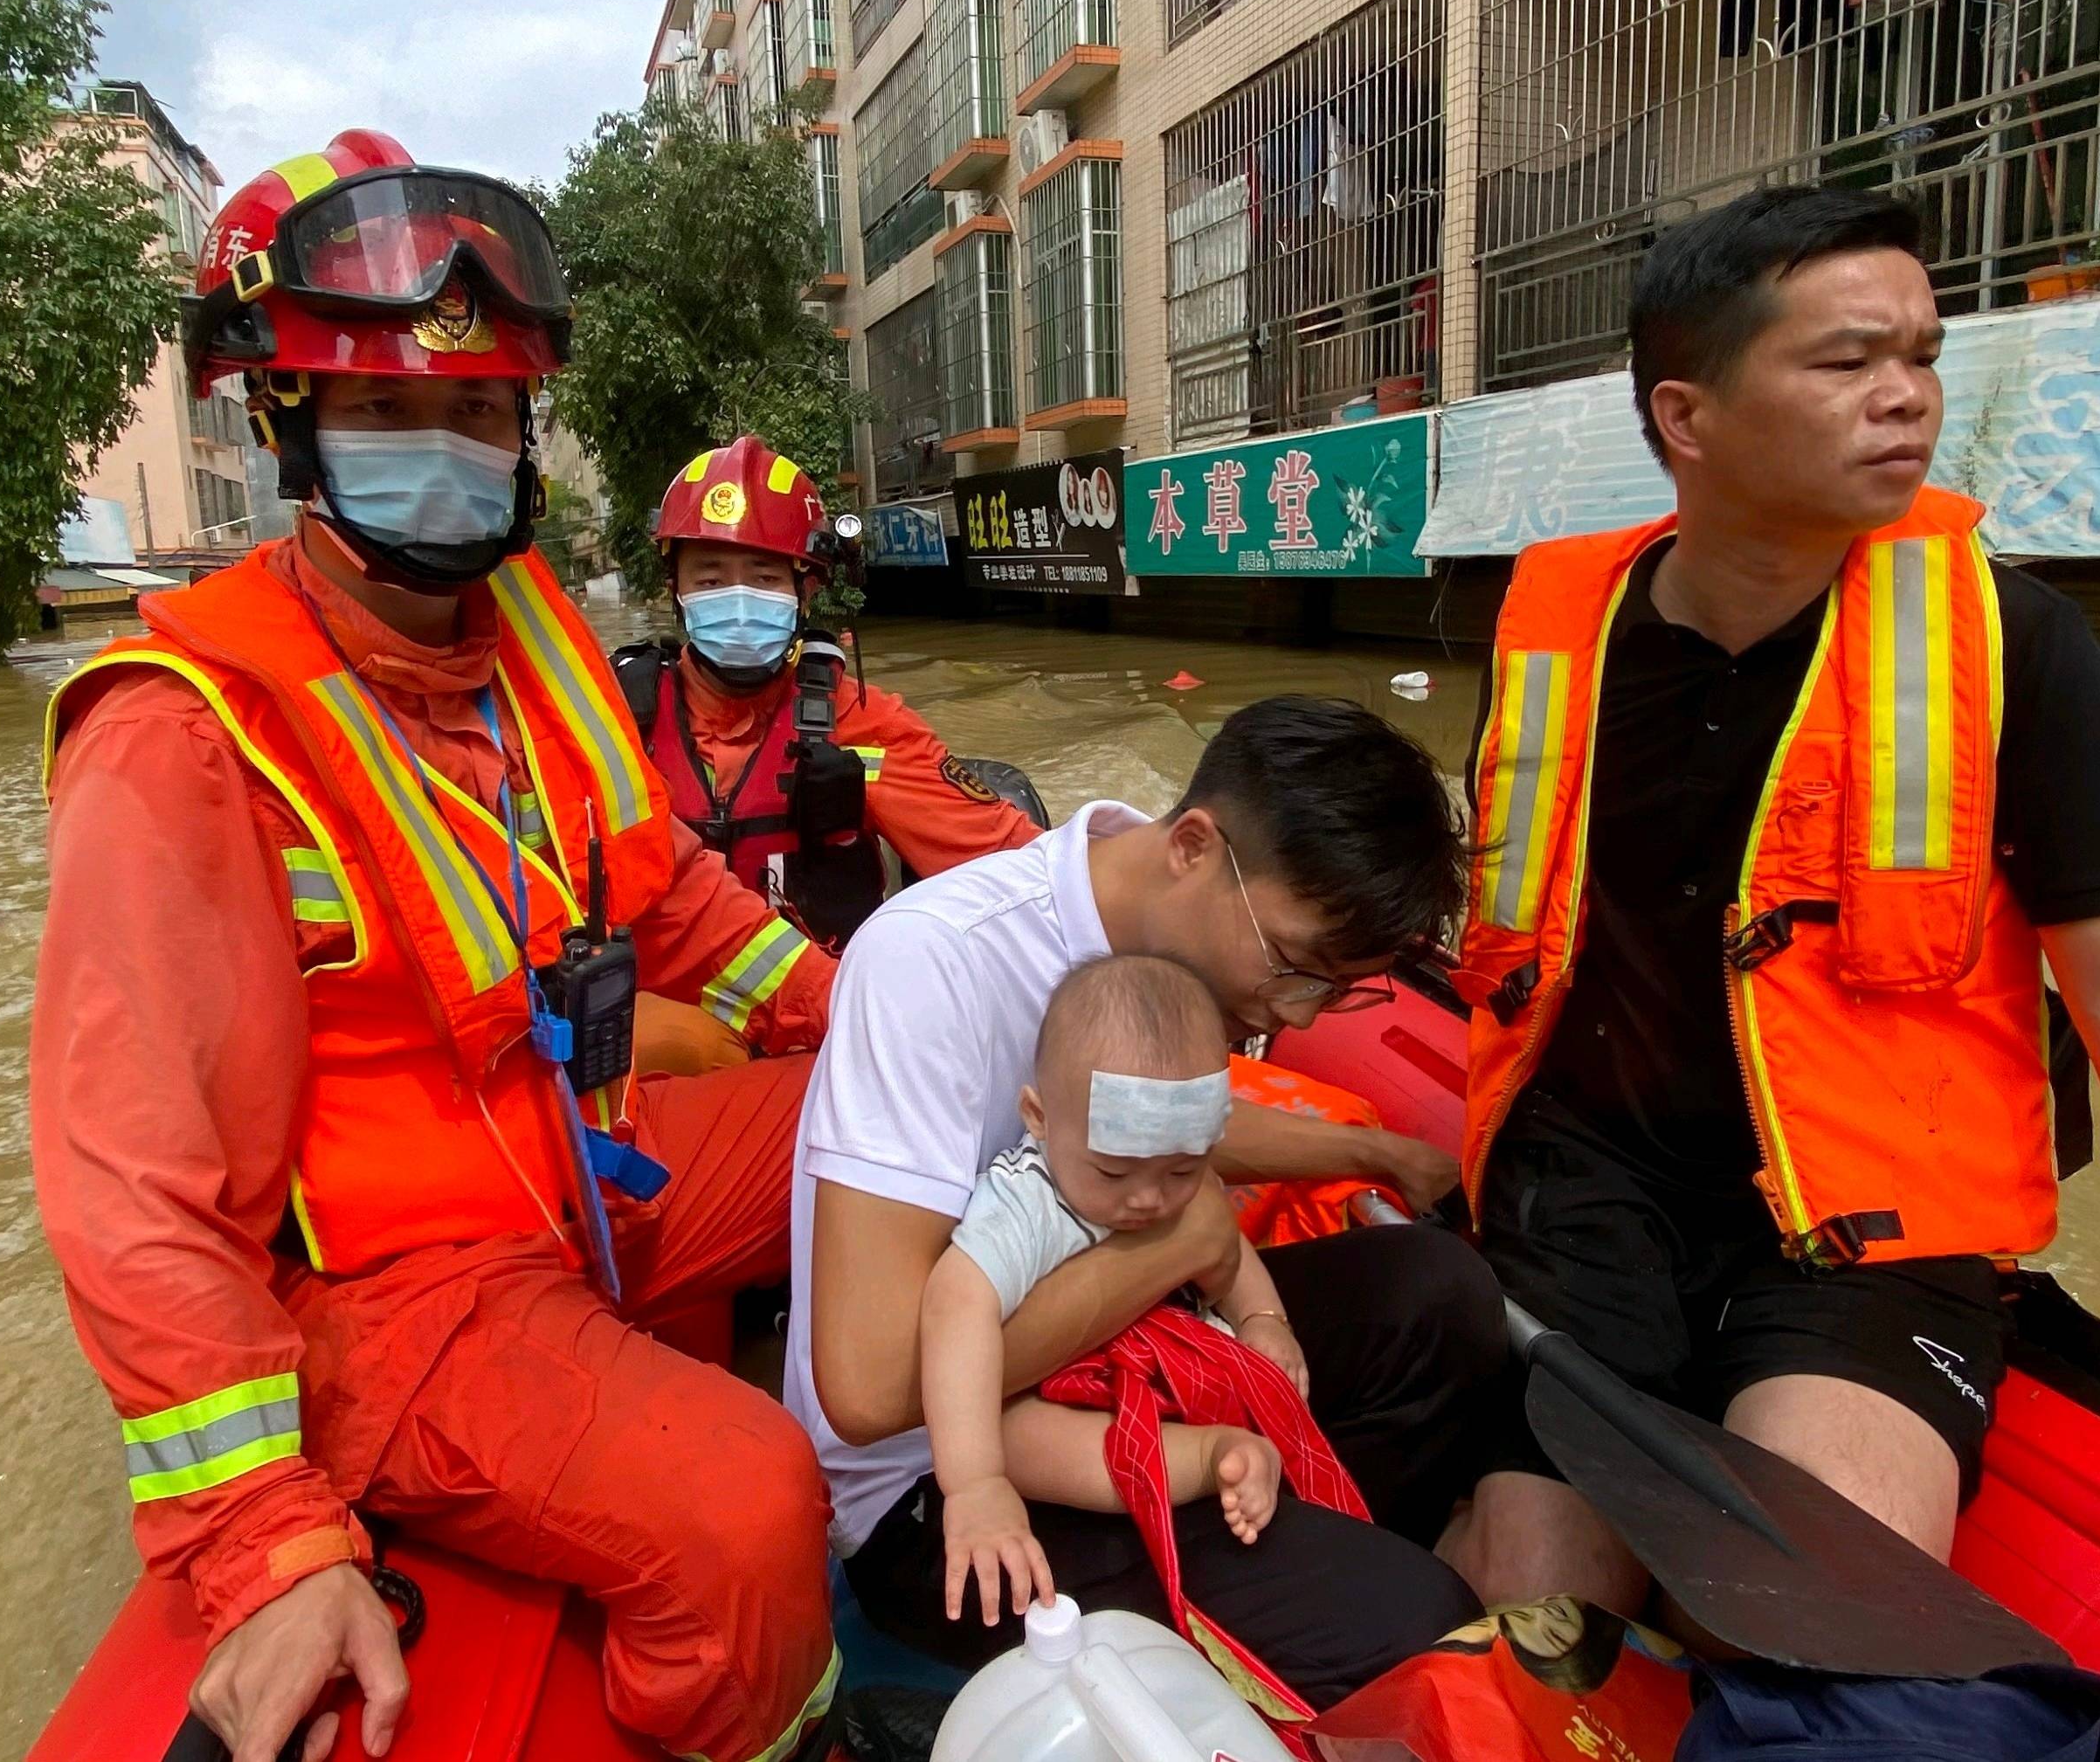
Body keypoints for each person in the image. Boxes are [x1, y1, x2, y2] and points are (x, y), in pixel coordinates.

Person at [1456, 183, 2100, 1613]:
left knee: (1828, 1609)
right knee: (1539, 1593)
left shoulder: (2013, 643)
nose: (1905, 398)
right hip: (1588, 1193)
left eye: (1923, 356)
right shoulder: (1553, 638)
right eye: (1846, 362)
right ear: (1686, 415)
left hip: (1865, 1228)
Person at [30, 130, 843, 1762]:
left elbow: (671, 896)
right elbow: (130, 1178)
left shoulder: (527, 629)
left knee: (910, 1107)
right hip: (391, 1298)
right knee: (752, 1506)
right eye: (387, 412)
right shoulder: (183, 731)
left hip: (575, 1159)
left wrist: (874, 1016)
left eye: (475, 412)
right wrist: (264, 1533)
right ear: (284, 425)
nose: (448, 450)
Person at [798, 694, 1638, 1710]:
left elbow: (1184, 1138)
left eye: (1333, 994)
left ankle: (1296, 1536)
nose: (1293, 1016)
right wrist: (1173, 1247)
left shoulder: (1168, 966)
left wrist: (1374, 1151)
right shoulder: (938, 963)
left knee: (1439, 1294)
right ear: (1193, 846)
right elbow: (868, 1384)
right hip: (955, 1479)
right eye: (1292, 969)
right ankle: (1336, 1595)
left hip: (1134, 1351)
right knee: (1418, 1633)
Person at [922, 955, 1319, 1629]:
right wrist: (976, 1483)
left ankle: (1229, 1453)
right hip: (1052, 1403)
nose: (1146, 1198)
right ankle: (1209, 1457)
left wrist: (1261, 1315)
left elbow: (1224, 1248)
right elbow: (955, 1302)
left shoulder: (1168, 1172)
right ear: (1038, 1118)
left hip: (1155, 1366)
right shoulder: (1027, 1205)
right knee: (1019, 1433)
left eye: (1181, 1170)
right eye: (1112, 1172)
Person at [615, 435, 1044, 950]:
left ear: (807, 592)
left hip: (826, 1015)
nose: (739, 602)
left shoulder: (863, 722)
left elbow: (1019, 867)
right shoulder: (614, 716)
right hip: (659, 1020)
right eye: (709, 581)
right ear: (674, 591)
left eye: (765, 578)